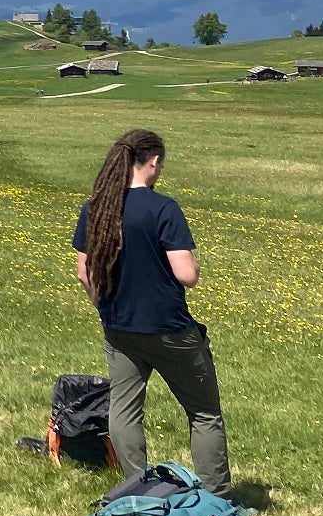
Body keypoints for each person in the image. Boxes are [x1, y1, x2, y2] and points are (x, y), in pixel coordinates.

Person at [73, 128, 230, 495]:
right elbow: (186, 275)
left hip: (119, 327)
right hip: (170, 330)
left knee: (125, 409)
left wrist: (103, 306)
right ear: (153, 163)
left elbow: (84, 271)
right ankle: (217, 498)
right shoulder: (163, 208)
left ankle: (138, 490)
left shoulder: (95, 207)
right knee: (204, 414)